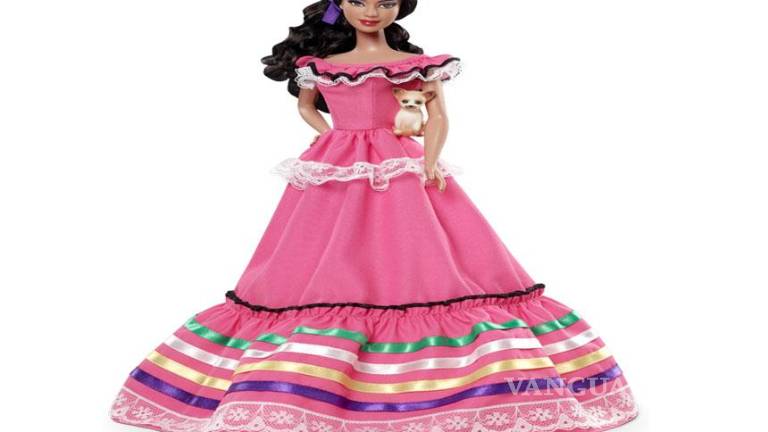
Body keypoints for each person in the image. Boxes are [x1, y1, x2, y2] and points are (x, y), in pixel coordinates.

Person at [109, 1, 639, 431]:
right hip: (335, 168)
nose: (372, 11)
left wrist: (429, 161)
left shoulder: (415, 64)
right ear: (339, 5)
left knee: (420, 253)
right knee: (320, 256)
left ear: (400, 8)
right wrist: (330, 141)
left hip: (402, 166)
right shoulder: (321, 66)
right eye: (360, 1)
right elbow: (306, 105)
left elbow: (438, 115)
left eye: (385, 2)